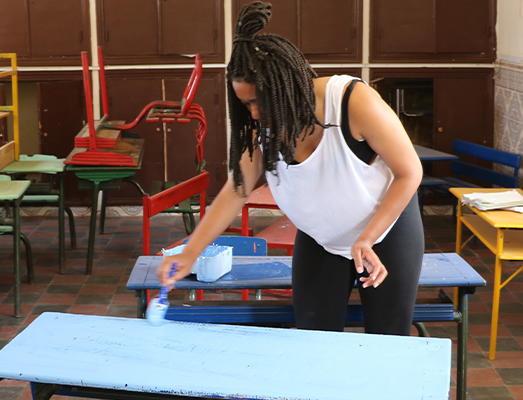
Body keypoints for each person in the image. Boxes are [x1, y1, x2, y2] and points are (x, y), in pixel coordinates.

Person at [157, 1, 425, 336]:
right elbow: (234, 192)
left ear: (286, 87)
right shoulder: (264, 131)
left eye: (259, 102)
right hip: (322, 238)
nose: (253, 114)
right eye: (245, 104)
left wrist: (367, 239)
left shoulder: (353, 102)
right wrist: (190, 253)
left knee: (388, 340)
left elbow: (410, 172)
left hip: (385, 234)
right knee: (313, 338)